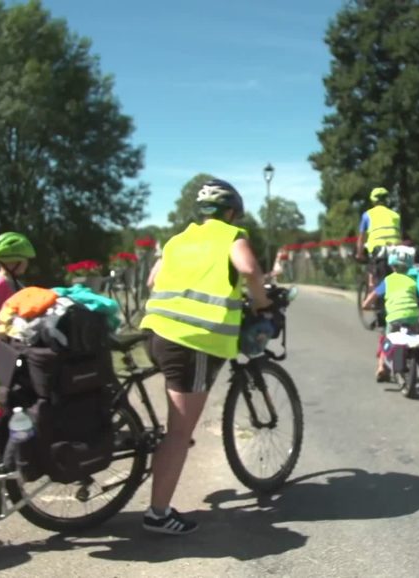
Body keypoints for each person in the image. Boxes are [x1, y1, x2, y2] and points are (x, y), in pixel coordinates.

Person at [139, 178, 271, 535]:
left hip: (156, 332)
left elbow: (153, 281)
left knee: (176, 423)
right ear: (231, 212)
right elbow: (248, 271)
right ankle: (158, 514)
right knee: (179, 432)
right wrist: (261, 304)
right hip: (192, 342)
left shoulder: (177, 239)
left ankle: (167, 449)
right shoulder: (232, 236)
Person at [361, 246, 419, 382]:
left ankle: (382, 367)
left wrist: (365, 305)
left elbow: (374, 294)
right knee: (416, 333)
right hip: (412, 317)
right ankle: (415, 353)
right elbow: (418, 297)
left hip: (394, 318)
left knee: (385, 340)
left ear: (392, 267)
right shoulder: (413, 280)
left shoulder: (388, 281)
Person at [355, 187, 402, 288]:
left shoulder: (367, 215)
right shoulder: (396, 215)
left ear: (373, 201)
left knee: (373, 274)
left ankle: (372, 297)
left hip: (377, 251)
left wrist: (359, 254)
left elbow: (361, 238)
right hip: (395, 250)